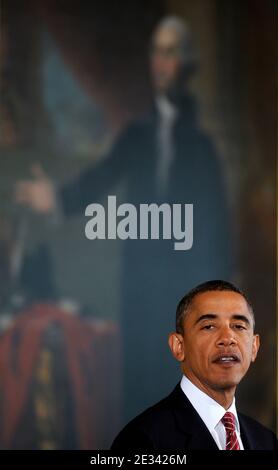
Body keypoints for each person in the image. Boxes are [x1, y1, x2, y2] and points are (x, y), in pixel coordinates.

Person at [16, 17, 234, 422]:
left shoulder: (201, 149)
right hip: (142, 285)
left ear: (185, 64)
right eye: (156, 52)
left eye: (170, 52)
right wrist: (57, 198)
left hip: (189, 289)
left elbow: (215, 232)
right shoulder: (138, 135)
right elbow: (101, 177)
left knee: (191, 393)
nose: (160, 63)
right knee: (142, 392)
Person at [111, 280, 277, 450]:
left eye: (239, 326)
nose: (228, 338)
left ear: (254, 347)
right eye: (209, 326)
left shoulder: (266, 440)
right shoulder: (142, 440)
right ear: (178, 346)